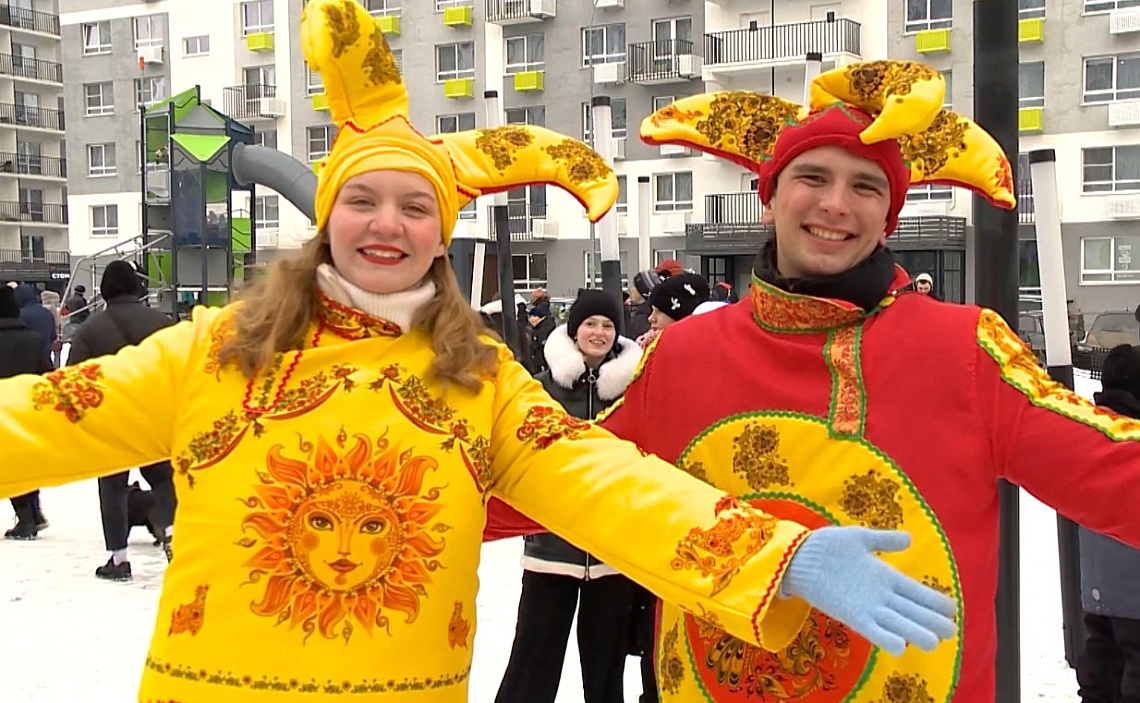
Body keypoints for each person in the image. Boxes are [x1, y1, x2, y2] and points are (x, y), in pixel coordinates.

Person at [0, 9, 952, 703]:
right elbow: (37, 422)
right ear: (328, 216)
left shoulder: (478, 380)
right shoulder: (216, 350)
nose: (387, 224)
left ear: (439, 234)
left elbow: (609, 484)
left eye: (416, 207)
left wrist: (776, 553)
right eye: (364, 200)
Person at [486, 59, 1140, 702]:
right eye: (812, 176)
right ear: (768, 196)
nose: (835, 203)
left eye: (866, 186)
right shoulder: (682, 356)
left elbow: (1114, 475)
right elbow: (549, 483)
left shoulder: (963, 352)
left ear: (889, 215)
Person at [495, 288, 643, 703]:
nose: (599, 333)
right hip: (551, 548)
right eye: (590, 324)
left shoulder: (632, 392)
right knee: (532, 663)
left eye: (608, 325)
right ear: (574, 330)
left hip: (611, 552)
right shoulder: (542, 389)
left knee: (606, 672)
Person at [68, 260, 179, 578]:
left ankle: (119, 560)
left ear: (104, 290)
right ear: (136, 287)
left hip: (112, 421)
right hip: (156, 419)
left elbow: (73, 380)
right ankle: (175, 536)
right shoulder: (164, 325)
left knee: (112, 488)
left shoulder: (90, 330)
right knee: (164, 480)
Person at [1076, 344, 1140, 703]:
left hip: (1097, 584)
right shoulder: (1133, 438)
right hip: (1134, 589)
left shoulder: (1089, 431)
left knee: (1100, 663)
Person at [0, 285, 51, 539]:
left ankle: (26, 518)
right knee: (26, 461)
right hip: (30, 410)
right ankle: (34, 511)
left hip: (3, 411)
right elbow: (48, 375)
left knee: (8, 464)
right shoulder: (35, 340)